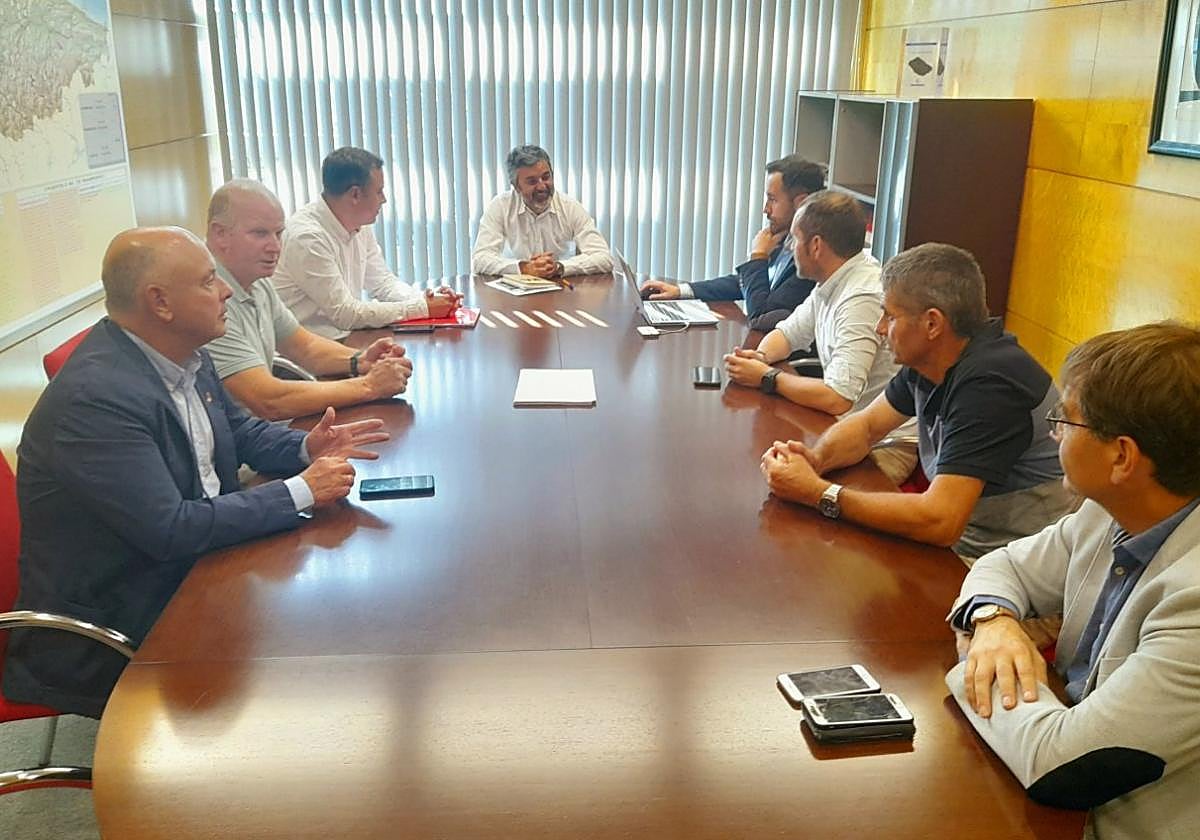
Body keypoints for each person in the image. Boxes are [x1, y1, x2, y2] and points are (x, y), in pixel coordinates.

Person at [2, 227, 387, 718]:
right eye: (208, 282)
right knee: (310, 668)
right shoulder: (95, 401)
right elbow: (171, 529)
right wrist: (299, 492)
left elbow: (240, 433)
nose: (225, 290)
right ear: (160, 303)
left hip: (196, 573)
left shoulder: (182, 352)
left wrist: (307, 446)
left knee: (338, 612)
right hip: (123, 617)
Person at [945, 322, 1200, 838]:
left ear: (1122, 457)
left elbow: (1059, 764)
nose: (1053, 432)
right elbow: (1003, 566)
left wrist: (973, 661)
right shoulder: (1108, 512)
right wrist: (993, 622)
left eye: (1065, 419)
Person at [760, 242, 1075, 560]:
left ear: (932, 324)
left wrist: (818, 493)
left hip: (1007, 561)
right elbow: (868, 427)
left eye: (889, 316)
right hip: (968, 541)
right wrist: (814, 462)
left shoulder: (991, 384)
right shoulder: (933, 360)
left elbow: (941, 521)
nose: (879, 328)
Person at [723, 191, 915, 483]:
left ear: (815, 246)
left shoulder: (861, 297)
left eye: (794, 239)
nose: (789, 247)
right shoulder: (833, 278)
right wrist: (759, 359)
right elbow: (787, 334)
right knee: (773, 470)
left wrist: (766, 378)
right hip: (848, 428)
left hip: (886, 444)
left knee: (794, 490)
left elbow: (839, 398)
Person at [205, 179, 414, 420]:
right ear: (220, 234)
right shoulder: (206, 299)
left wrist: (360, 360)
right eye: (260, 234)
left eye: (278, 233)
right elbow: (268, 401)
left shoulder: (256, 280)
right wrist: (370, 386)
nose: (275, 247)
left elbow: (305, 347)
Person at [272, 146, 460, 339]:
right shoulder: (307, 238)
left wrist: (426, 299)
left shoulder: (359, 223)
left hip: (343, 339)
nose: (384, 199)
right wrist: (423, 308)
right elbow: (345, 314)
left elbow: (382, 283)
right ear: (355, 195)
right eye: (379, 191)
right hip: (308, 355)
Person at [641, 155, 823, 330]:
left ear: (801, 203)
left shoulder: (810, 258)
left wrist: (758, 257)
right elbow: (746, 284)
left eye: (773, 200)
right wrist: (681, 291)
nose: (765, 209)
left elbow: (761, 315)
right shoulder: (786, 237)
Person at [470, 144, 613, 278]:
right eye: (532, 181)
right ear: (516, 186)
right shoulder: (500, 206)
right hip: (515, 297)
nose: (542, 186)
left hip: (562, 294)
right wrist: (523, 268)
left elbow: (603, 257)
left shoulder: (570, 207)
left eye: (546, 177)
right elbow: (480, 259)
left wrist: (559, 267)